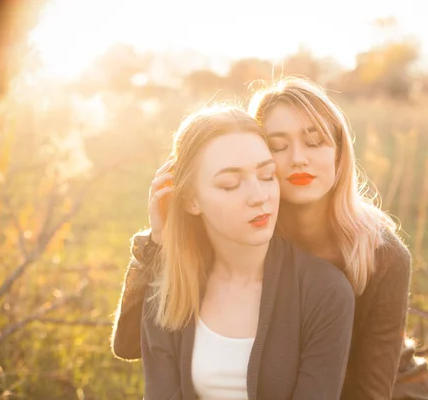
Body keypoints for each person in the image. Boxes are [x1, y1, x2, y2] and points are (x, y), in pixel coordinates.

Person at [112, 78, 428, 400]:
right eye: (279, 146)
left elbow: (371, 391)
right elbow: (131, 343)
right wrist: (156, 241)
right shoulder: (247, 227)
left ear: (341, 156)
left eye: (315, 142)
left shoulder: (380, 254)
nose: (298, 158)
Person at [139, 105, 355, 400]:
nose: (259, 197)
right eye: (231, 184)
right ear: (191, 200)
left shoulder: (324, 291)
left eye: (267, 176)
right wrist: (156, 241)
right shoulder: (167, 286)